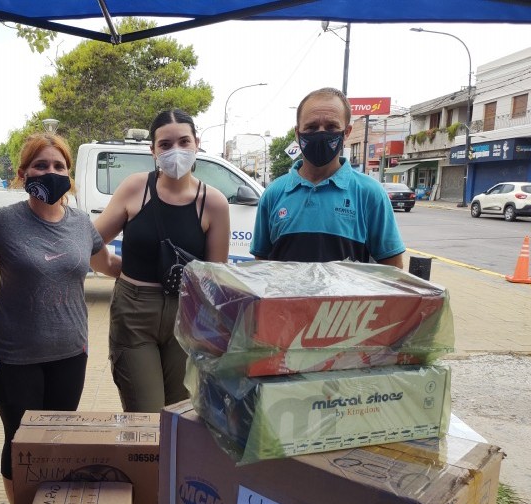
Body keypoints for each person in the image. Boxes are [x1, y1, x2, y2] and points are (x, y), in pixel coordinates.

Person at [0, 132, 121, 504]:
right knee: (21, 441)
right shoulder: (4, 222)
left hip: (70, 353)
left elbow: (110, 266)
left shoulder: (80, 224)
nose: (50, 172)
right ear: (23, 173)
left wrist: (160, 266)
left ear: (69, 176)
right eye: (41, 165)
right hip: (12, 357)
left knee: (56, 440)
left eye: (58, 166)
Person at [94, 109, 231, 412]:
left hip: (186, 314)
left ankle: (171, 463)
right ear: (153, 150)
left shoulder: (214, 203)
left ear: (197, 142)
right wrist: (113, 268)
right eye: (166, 145)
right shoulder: (135, 188)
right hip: (135, 313)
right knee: (146, 413)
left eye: (184, 142)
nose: (176, 151)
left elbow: (214, 276)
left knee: (179, 414)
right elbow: (90, 241)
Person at [251, 87, 405, 267]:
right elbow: (262, 264)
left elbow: (392, 269)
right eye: (311, 127)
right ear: (297, 133)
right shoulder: (273, 193)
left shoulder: (371, 194)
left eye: (331, 126)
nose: (320, 133)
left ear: (346, 132)